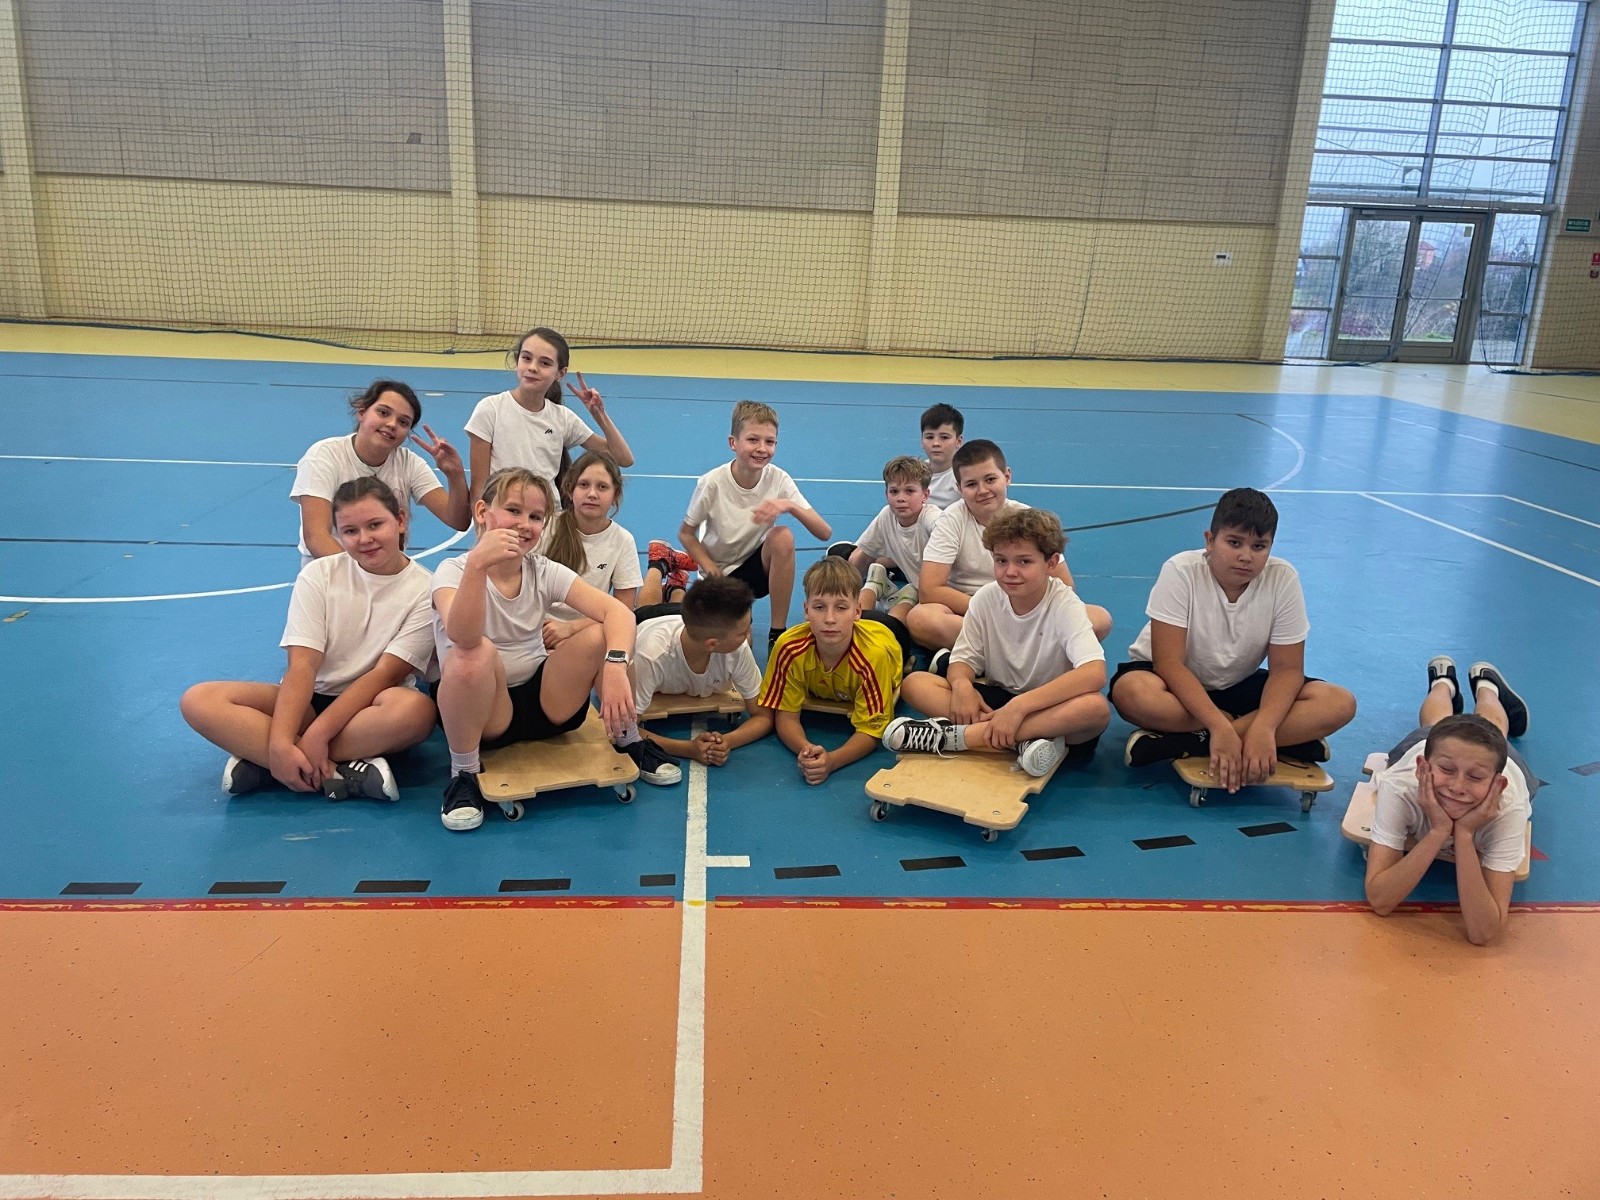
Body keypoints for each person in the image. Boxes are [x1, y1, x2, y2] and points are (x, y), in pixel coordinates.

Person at [182, 478, 438, 801]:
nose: (365, 539)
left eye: (375, 525)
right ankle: (335, 771)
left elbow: (384, 674)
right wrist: (280, 741)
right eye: (350, 531)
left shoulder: (426, 588)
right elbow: (302, 665)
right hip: (308, 700)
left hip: (371, 706)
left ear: (400, 520)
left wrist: (316, 735)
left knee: (417, 711)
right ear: (338, 534)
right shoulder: (319, 575)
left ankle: (273, 764)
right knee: (198, 700)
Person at [1110, 487, 1356, 792]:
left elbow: (1287, 670)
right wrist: (1218, 724)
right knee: (1132, 694)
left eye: (1259, 546)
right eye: (1234, 542)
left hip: (1238, 682)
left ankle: (1188, 742)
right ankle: (1284, 740)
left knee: (1339, 703)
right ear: (1210, 540)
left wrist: (1264, 726)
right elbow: (1169, 664)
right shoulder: (1181, 571)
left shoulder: (1283, 578)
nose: (1246, 556)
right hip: (1173, 683)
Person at [432, 467, 637, 832]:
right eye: (513, 510)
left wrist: (615, 666)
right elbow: (463, 635)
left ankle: (629, 738)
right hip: (486, 715)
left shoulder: (542, 570)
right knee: (472, 653)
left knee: (599, 635)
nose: (524, 524)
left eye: (535, 517)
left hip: (547, 707)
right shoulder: (452, 571)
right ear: (482, 512)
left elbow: (618, 612)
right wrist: (478, 564)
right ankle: (463, 773)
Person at [883, 508, 1109, 776]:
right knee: (915, 684)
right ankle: (1022, 741)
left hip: (1048, 705)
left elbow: (1094, 673)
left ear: (1051, 563)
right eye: (1001, 560)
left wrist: (1019, 707)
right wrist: (962, 686)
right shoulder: (985, 598)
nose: (1010, 571)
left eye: (1024, 562)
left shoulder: (1064, 604)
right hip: (1000, 700)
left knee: (1095, 709)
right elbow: (963, 658)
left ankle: (960, 738)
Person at [1364, 658, 1533, 945]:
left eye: (1476, 777)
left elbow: (1483, 933)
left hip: (1506, 763)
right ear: (1422, 768)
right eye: (1445, 770)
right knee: (1434, 726)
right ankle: (1442, 682)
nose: (1457, 787)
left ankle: (1487, 687)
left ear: (1498, 784)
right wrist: (1439, 831)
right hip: (1427, 745)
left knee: (1495, 731)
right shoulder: (1401, 787)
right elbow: (1380, 901)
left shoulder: (1508, 807)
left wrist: (1463, 834)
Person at [908, 439, 1112, 650]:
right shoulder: (951, 521)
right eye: (971, 484)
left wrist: (1024, 614)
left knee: (1099, 618)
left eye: (990, 479)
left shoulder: (1028, 518)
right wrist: (992, 613)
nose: (982, 490)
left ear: (1006, 477)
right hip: (972, 611)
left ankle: (994, 651)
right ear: (959, 488)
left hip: (1026, 610)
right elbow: (929, 590)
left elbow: (1065, 585)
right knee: (921, 619)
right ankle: (1027, 650)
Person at [679, 400, 832, 655]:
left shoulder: (778, 478)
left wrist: (789, 505)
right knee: (740, 645)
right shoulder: (712, 483)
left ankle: (777, 633)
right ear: (733, 443)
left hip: (756, 568)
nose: (762, 448)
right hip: (721, 574)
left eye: (770, 442)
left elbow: (824, 532)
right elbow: (686, 534)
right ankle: (672, 575)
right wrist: (710, 568)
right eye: (753, 440)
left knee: (782, 536)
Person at [609, 577, 776, 785]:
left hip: (685, 620)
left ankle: (677, 585)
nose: (749, 636)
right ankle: (657, 569)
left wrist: (727, 741)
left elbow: (764, 716)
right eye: (743, 632)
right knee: (647, 605)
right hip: (648, 621)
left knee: (681, 604)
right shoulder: (651, 656)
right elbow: (625, 731)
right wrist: (687, 749)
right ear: (713, 644)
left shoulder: (737, 650)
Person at [290, 379, 469, 565]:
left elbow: (458, 521)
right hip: (331, 567)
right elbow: (316, 537)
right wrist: (363, 575)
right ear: (362, 412)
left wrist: (455, 475)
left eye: (403, 422)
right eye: (383, 413)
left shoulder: (409, 463)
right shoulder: (323, 456)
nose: (392, 424)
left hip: (386, 569)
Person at [759, 557, 903, 786]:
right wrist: (808, 751)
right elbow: (785, 716)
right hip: (855, 627)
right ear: (806, 611)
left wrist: (832, 761)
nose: (829, 619)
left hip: (887, 632)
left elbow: (871, 731)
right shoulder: (789, 648)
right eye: (819, 607)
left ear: (857, 612)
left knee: (897, 616)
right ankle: (874, 586)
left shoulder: (873, 657)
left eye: (841, 608)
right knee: (856, 605)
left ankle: (900, 596)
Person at [465, 326, 634, 505]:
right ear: (517, 361)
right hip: (503, 515)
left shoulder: (562, 418)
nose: (532, 367)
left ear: (560, 373)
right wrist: (483, 522)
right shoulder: (490, 409)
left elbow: (624, 459)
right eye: (526, 358)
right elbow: (478, 489)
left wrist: (599, 415)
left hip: (550, 517)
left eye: (545, 363)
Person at [537, 450, 642, 647]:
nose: (592, 494)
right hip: (538, 629)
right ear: (570, 490)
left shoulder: (622, 541)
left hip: (587, 632)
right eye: (584, 485)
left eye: (602, 487)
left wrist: (570, 628)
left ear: (615, 494)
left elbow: (624, 609)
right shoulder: (545, 527)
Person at [843, 455, 941, 627]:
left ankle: (889, 588)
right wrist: (842, 593)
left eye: (909, 491)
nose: (900, 498)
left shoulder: (931, 517)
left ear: (925, 495)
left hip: (937, 594)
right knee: (853, 621)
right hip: (921, 589)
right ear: (886, 493)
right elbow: (860, 558)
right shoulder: (887, 516)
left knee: (897, 626)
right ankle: (874, 584)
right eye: (894, 491)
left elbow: (941, 527)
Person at [921, 402, 966, 509]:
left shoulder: (965, 475)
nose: (936, 443)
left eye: (944, 437)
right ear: (921, 441)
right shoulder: (913, 475)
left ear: (959, 441)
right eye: (929, 437)